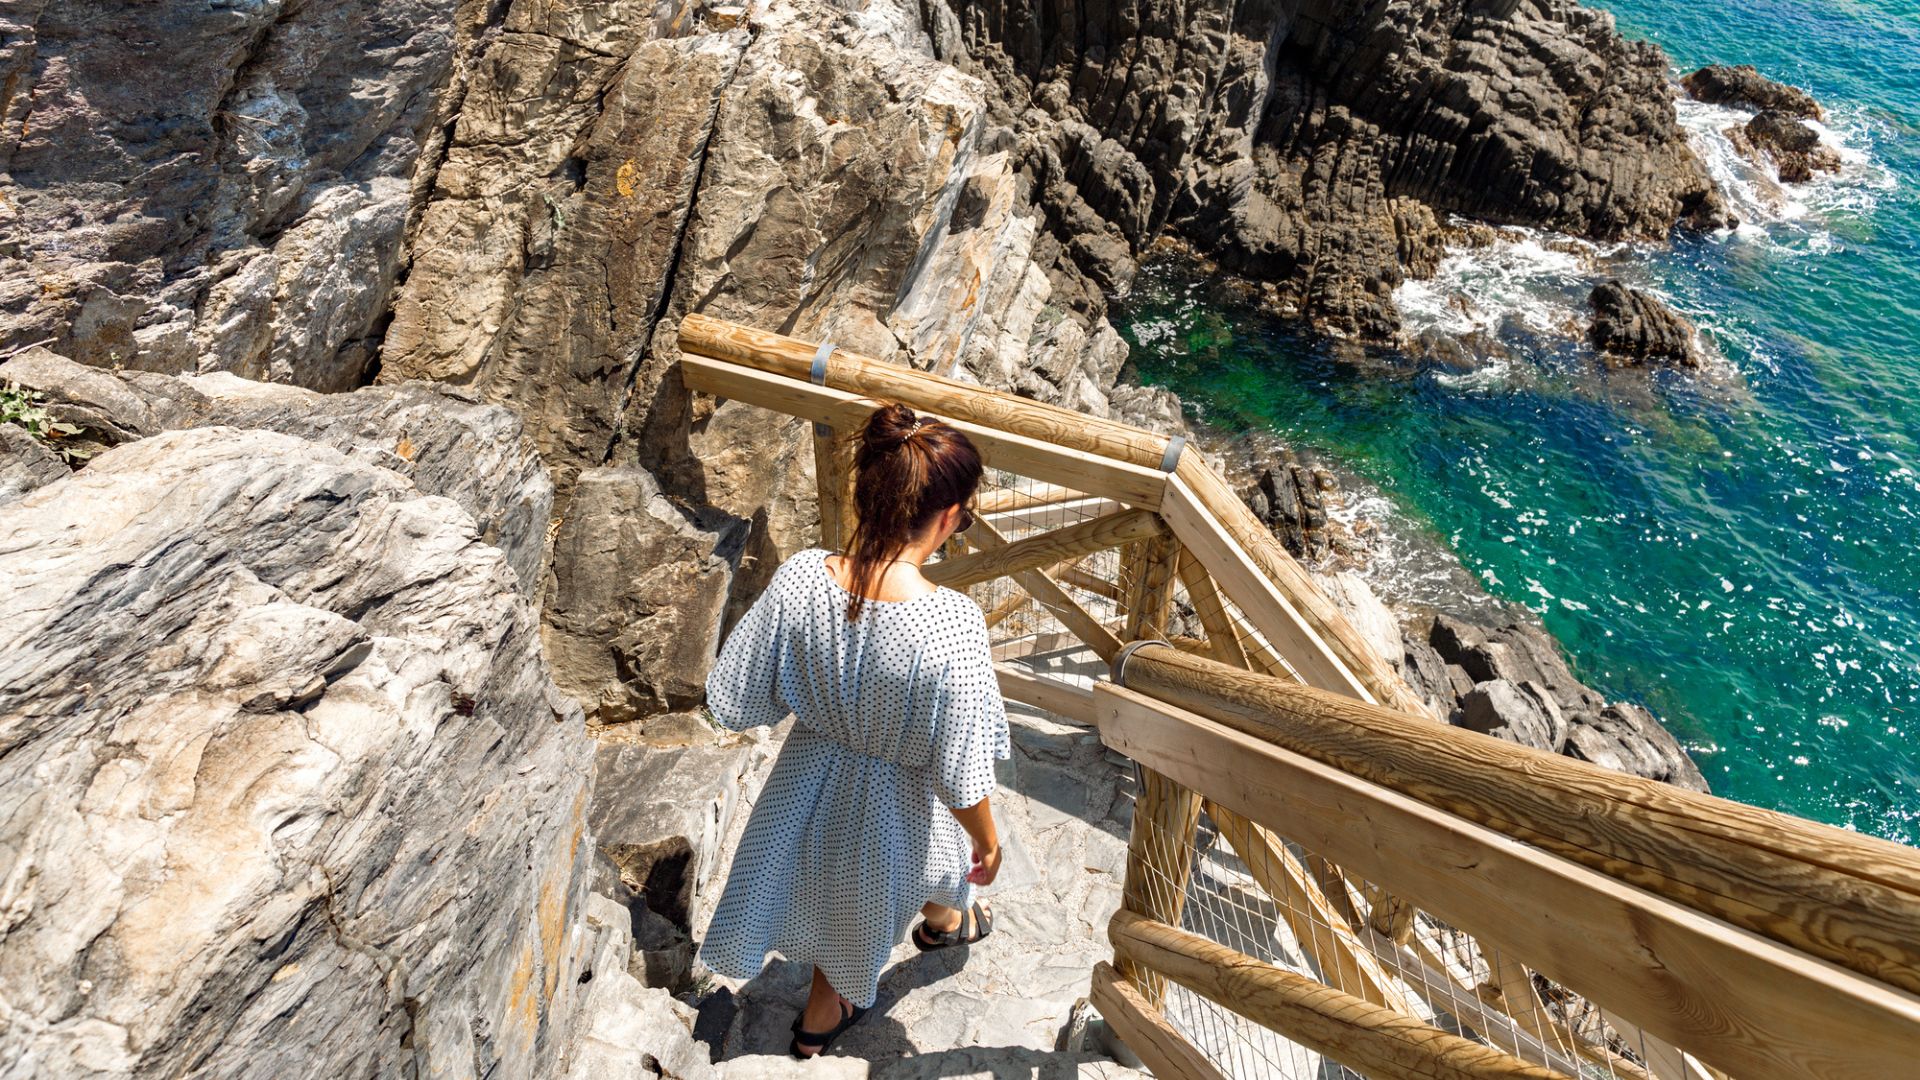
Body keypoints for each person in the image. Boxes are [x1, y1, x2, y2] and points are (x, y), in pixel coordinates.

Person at [696, 401, 1011, 1059]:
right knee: (930, 860)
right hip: (900, 798)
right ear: (951, 517)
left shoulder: (802, 577)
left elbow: (734, 699)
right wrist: (987, 837)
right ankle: (837, 1000)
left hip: (807, 778)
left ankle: (844, 999)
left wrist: (824, 695)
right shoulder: (953, 623)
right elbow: (959, 773)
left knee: (839, 879)